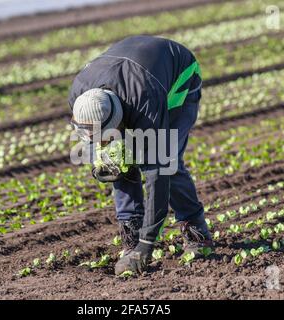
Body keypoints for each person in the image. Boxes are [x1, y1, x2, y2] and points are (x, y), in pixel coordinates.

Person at [68, 35, 212, 276]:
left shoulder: (145, 102)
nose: (103, 141)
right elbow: (94, 138)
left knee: (170, 163)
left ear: (117, 120)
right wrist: (102, 162)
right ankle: (130, 236)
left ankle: (196, 231)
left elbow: (158, 173)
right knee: (119, 162)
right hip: (131, 71)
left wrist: (147, 244)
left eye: (108, 134)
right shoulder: (79, 98)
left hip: (178, 77)